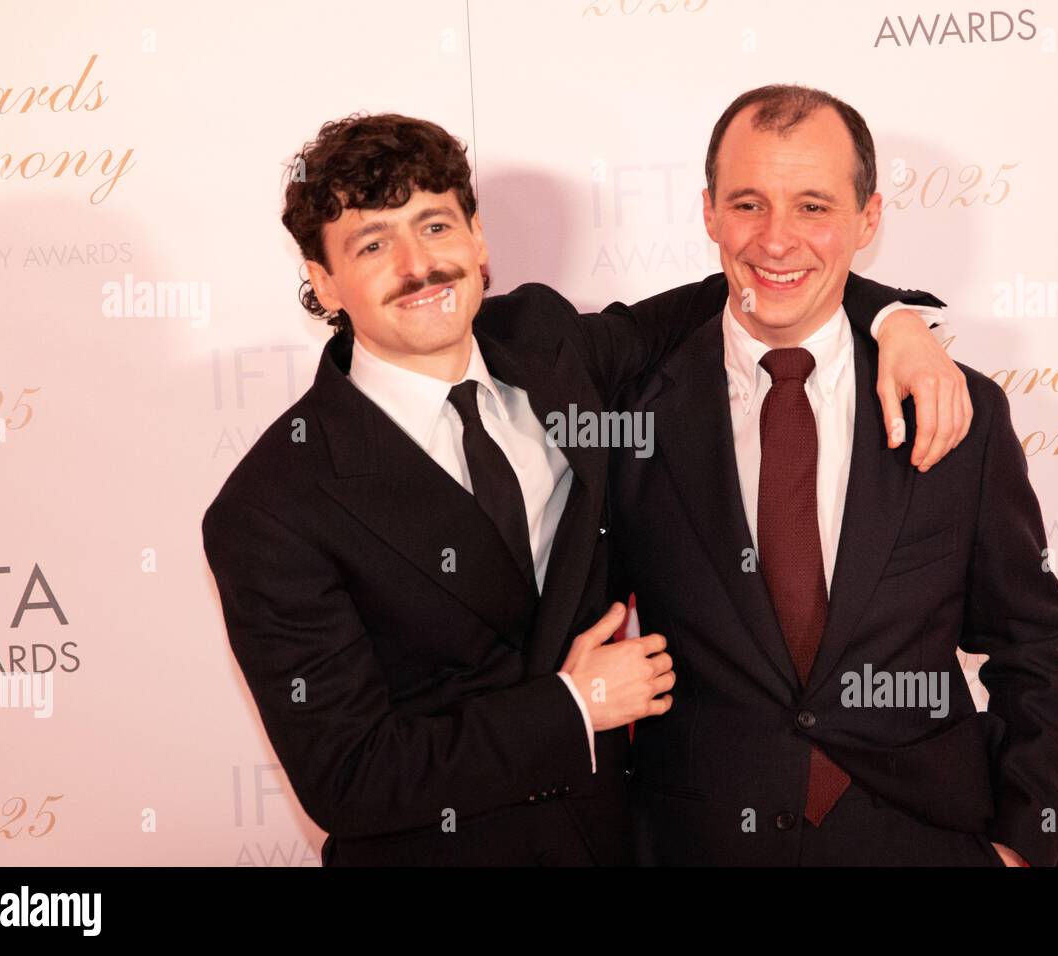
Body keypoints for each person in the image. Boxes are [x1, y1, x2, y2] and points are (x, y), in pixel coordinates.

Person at [202, 111, 963, 865]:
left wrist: (896, 323)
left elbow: (758, 282)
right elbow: (349, 778)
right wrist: (571, 710)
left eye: (434, 227)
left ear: (477, 239)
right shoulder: (272, 507)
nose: (416, 264)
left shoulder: (548, 347)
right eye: (372, 243)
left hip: (619, 846)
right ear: (323, 281)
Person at [606, 84, 1058, 867]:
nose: (777, 241)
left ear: (869, 218)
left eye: (814, 207)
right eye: (749, 204)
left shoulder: (960, 408)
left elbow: (1031, 645)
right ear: (709, 212)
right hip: (699, 843)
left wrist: (1026, 845)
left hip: (923, 836)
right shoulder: (628, 411)